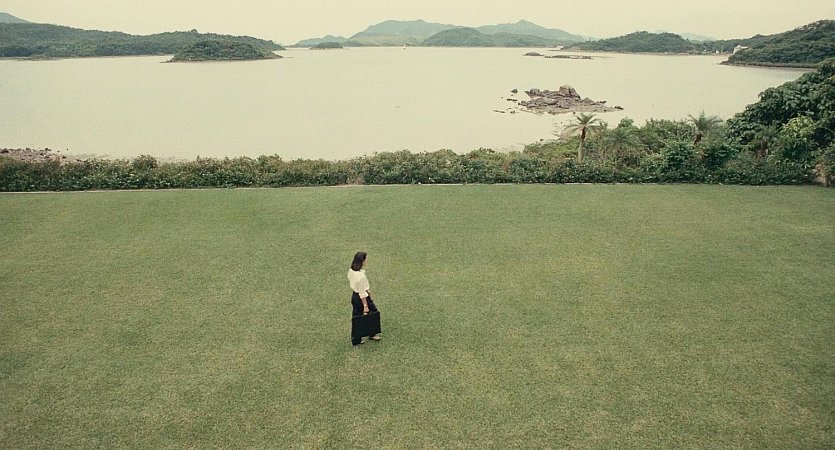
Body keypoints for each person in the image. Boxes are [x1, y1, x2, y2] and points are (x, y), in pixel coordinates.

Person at [347, 251, 382, 345]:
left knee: (357, 316)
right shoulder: (361, 276)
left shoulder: (351, 271)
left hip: (355, 296)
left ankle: (356, 339)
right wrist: (365, 306)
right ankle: (372, 333)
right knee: (373, 312)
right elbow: (362, 294)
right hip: (362, 298)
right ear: (362, 261)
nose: (367, 261)